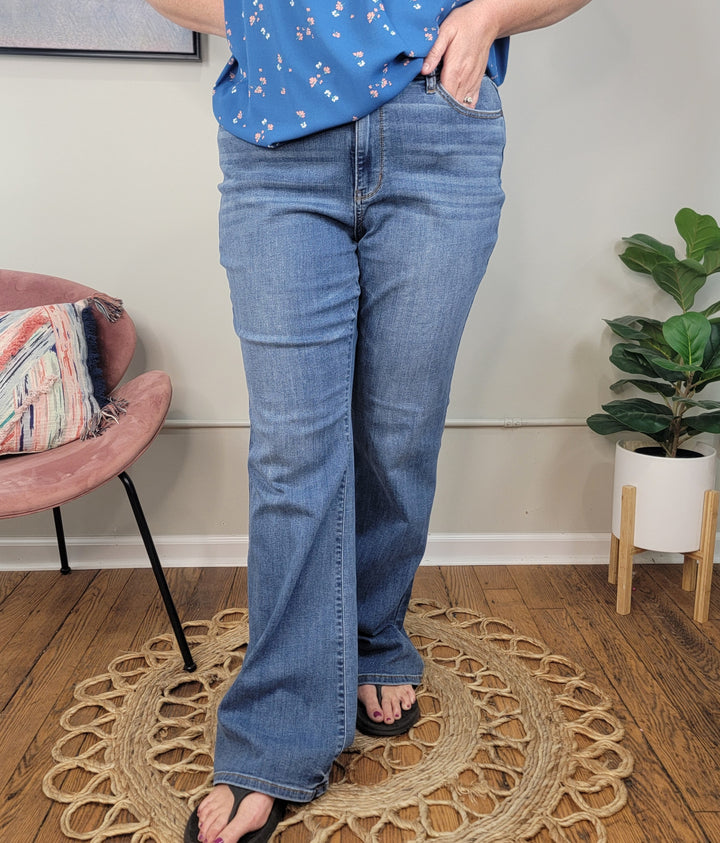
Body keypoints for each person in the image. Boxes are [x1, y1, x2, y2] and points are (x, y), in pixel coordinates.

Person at [144, 2, 591, 842]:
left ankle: (374, 635)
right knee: (292, 451)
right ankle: (274, 730)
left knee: (398, 432)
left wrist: (492, 14)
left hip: (438, 134)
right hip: (279, 145)